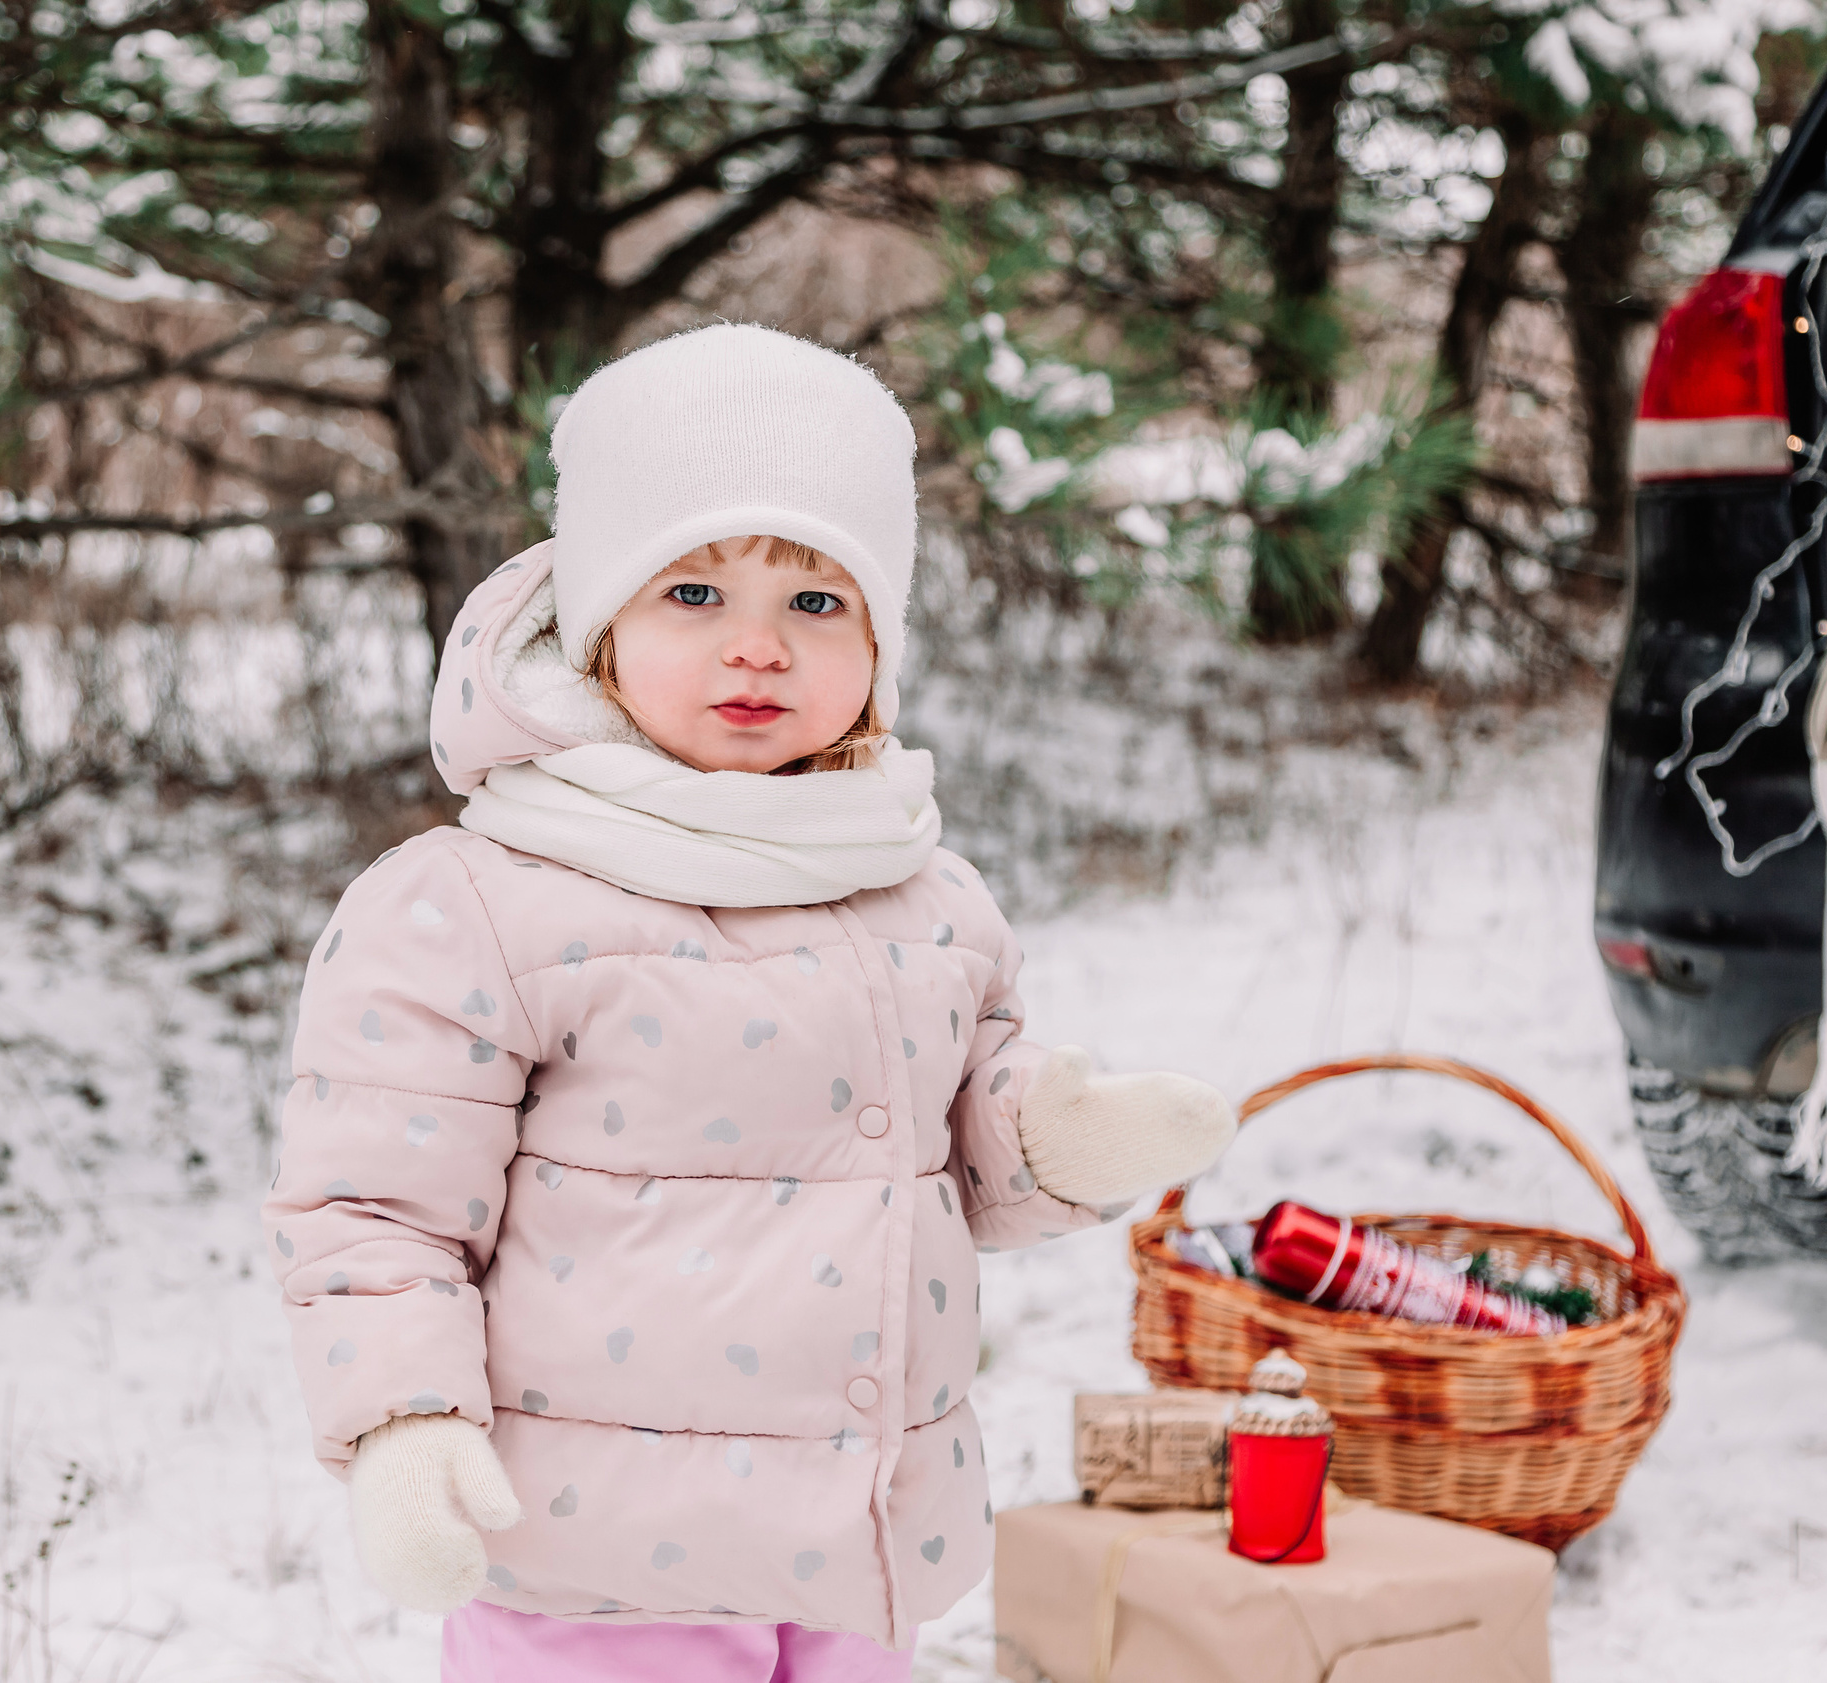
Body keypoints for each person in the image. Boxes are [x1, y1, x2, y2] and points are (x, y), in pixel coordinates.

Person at [261, 322, 1236, 1681]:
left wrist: (1059, 1144)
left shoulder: (923, 893)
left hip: (856, 1548)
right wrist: (405, 1420)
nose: (758, 649)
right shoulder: (479, 904)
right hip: (601, 1570)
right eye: (695, 595)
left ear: (880, 643)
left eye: (817, 603)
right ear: (601, 625)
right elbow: (376, 1208)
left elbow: (953, 1157)